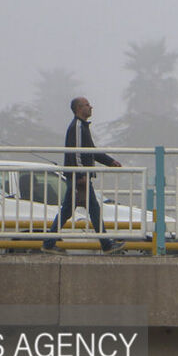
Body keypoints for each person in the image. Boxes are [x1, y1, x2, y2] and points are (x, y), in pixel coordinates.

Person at [42, 97, 124, 253]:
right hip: (79, 177)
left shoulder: (82, 127)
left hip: (78, 176)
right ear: (79, 109)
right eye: (87, 105)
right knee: (93, 209)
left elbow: (91, 151)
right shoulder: (78, 127)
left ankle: (48, 243)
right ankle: (106, 245)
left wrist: (110, 161)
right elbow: (77, 153)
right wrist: (81, 175)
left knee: (69, 210)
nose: (91, 107)